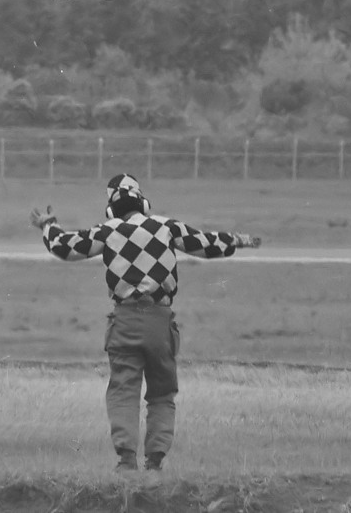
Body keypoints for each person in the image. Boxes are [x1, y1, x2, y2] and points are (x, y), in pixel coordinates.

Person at [30, 171, 260, 478]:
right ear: (143, 202)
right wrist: (239, 240)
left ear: (111, 207)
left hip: (124, 321)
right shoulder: (165, 226)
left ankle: (126, 461)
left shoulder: (107, 230)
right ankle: (155, 464)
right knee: (161, 394)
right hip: (160, 323)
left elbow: (63, 247)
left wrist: (48, 224)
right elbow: (207, 244)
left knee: (123, 391)